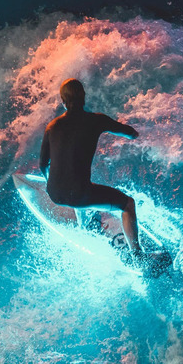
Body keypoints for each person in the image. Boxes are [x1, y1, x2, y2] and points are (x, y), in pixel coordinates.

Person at [39, 78, 144, 263]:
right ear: (84, 97)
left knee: (79, 187)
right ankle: (138, 256)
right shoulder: (96, 120)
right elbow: (129, 132)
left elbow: (42, 165)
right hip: (80, 195)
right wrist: (136, 133)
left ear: (63, 101)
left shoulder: (52, 126)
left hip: (54, 194)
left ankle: (83, 227)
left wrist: (53, 183)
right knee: (128, 204)